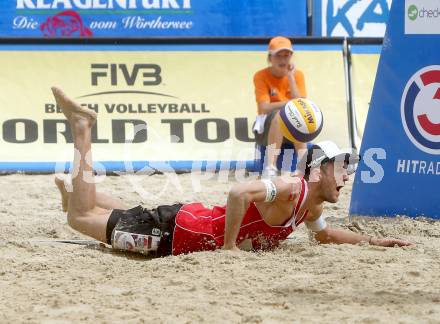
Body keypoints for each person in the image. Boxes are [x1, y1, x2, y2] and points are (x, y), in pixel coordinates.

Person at [52, 87, 411, 257]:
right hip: (177, 236)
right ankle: (83, 130)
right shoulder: (291, 188)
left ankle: (76, 191)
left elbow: (326, 235)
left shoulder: (310, 206)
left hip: (184, 223)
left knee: (112, 209)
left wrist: (374, 241)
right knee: (79, 218)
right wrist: (228, 249)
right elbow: (239, 193)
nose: (347, 178)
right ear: (320, 169)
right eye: (342, 169)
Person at [253, 36, 307, 178]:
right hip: (265, 127)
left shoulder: (297, 75)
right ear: (270, 57)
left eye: (286, 56)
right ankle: (270, 167)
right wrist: (290, 105)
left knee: (299, 116)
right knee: (282, 114)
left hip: (291, 125)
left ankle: (302, 165)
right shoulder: (261, 75)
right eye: (279, 56)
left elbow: (302, 104)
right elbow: (264, 107)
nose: (283, 60)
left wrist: (290, 77)